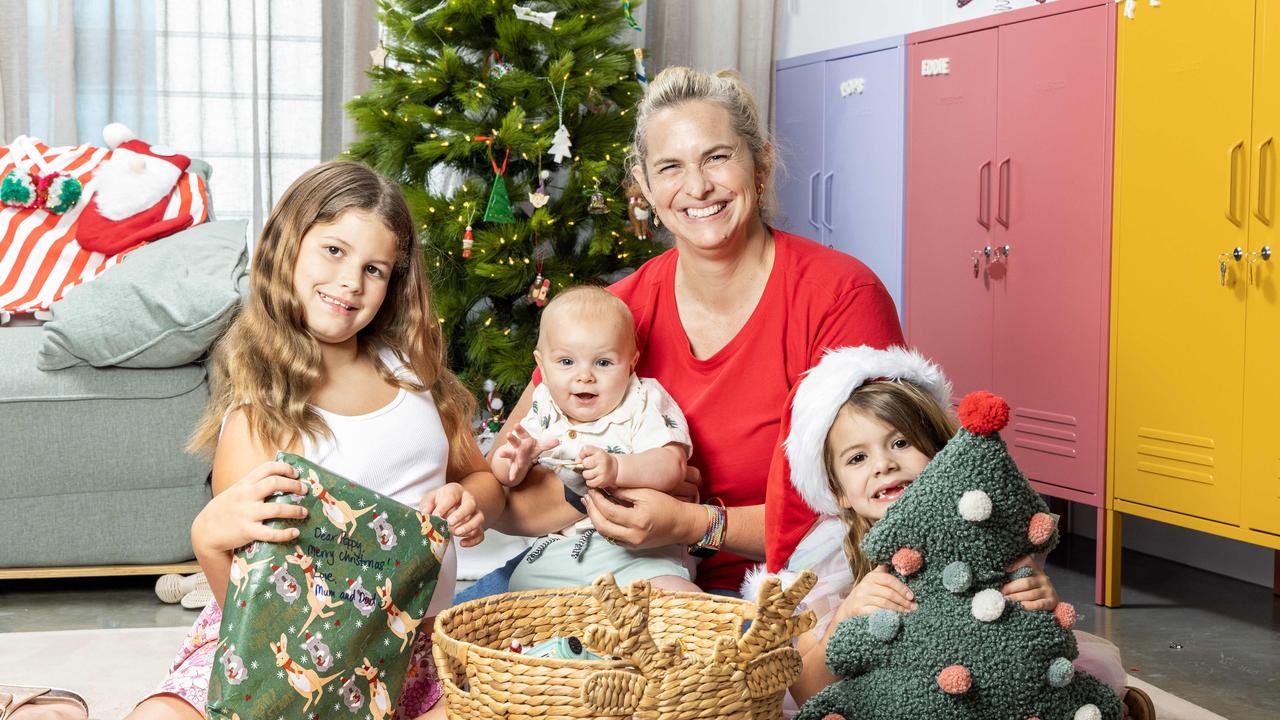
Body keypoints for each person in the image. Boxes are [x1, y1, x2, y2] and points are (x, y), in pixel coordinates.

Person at [460, 66, 904, 601]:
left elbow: (880, 503)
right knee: (444, 652)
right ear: (644, 187)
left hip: (785, 593)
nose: (697, 188)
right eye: (670, 167)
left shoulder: (839, 295)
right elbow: (510, 493)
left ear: (760, 162)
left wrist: (692, 522)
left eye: (717, 157)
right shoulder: (614, 316)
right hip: (597, 571)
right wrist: (621, 484)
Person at [128, 162, 502, 720]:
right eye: (334, 251)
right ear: (288, 248)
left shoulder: (413, 375)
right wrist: (208, 544)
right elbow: (252, 605)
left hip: (413, 648)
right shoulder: (259, 416)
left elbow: (478, 475)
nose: (352, 281)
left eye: (374, 268)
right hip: (287, 648)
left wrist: (473, 500)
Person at [755, 345, 1150, 719]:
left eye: (900, 442)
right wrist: (847, 612)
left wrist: (1041, 596)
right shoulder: (830, 559)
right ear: (837, 490)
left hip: (985, 682)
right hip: (894, 696)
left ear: (941, 454)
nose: (884, 464)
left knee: (1065, 686)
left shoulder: (981, 530)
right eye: (858, 457)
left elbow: (1031, 633)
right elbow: (807, 690)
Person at [492, 285, 700, 592]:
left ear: (631, 362)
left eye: (603, 363)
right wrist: (513, 464)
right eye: (566, 362)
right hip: (561, 550)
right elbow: (503, 478)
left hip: (639, 550)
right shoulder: (545, 405)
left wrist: (617, 469)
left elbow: (673, 465)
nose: (584, 375)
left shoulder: (643, 400)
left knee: (670, 593)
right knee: (517, 596)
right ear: (542, 365)